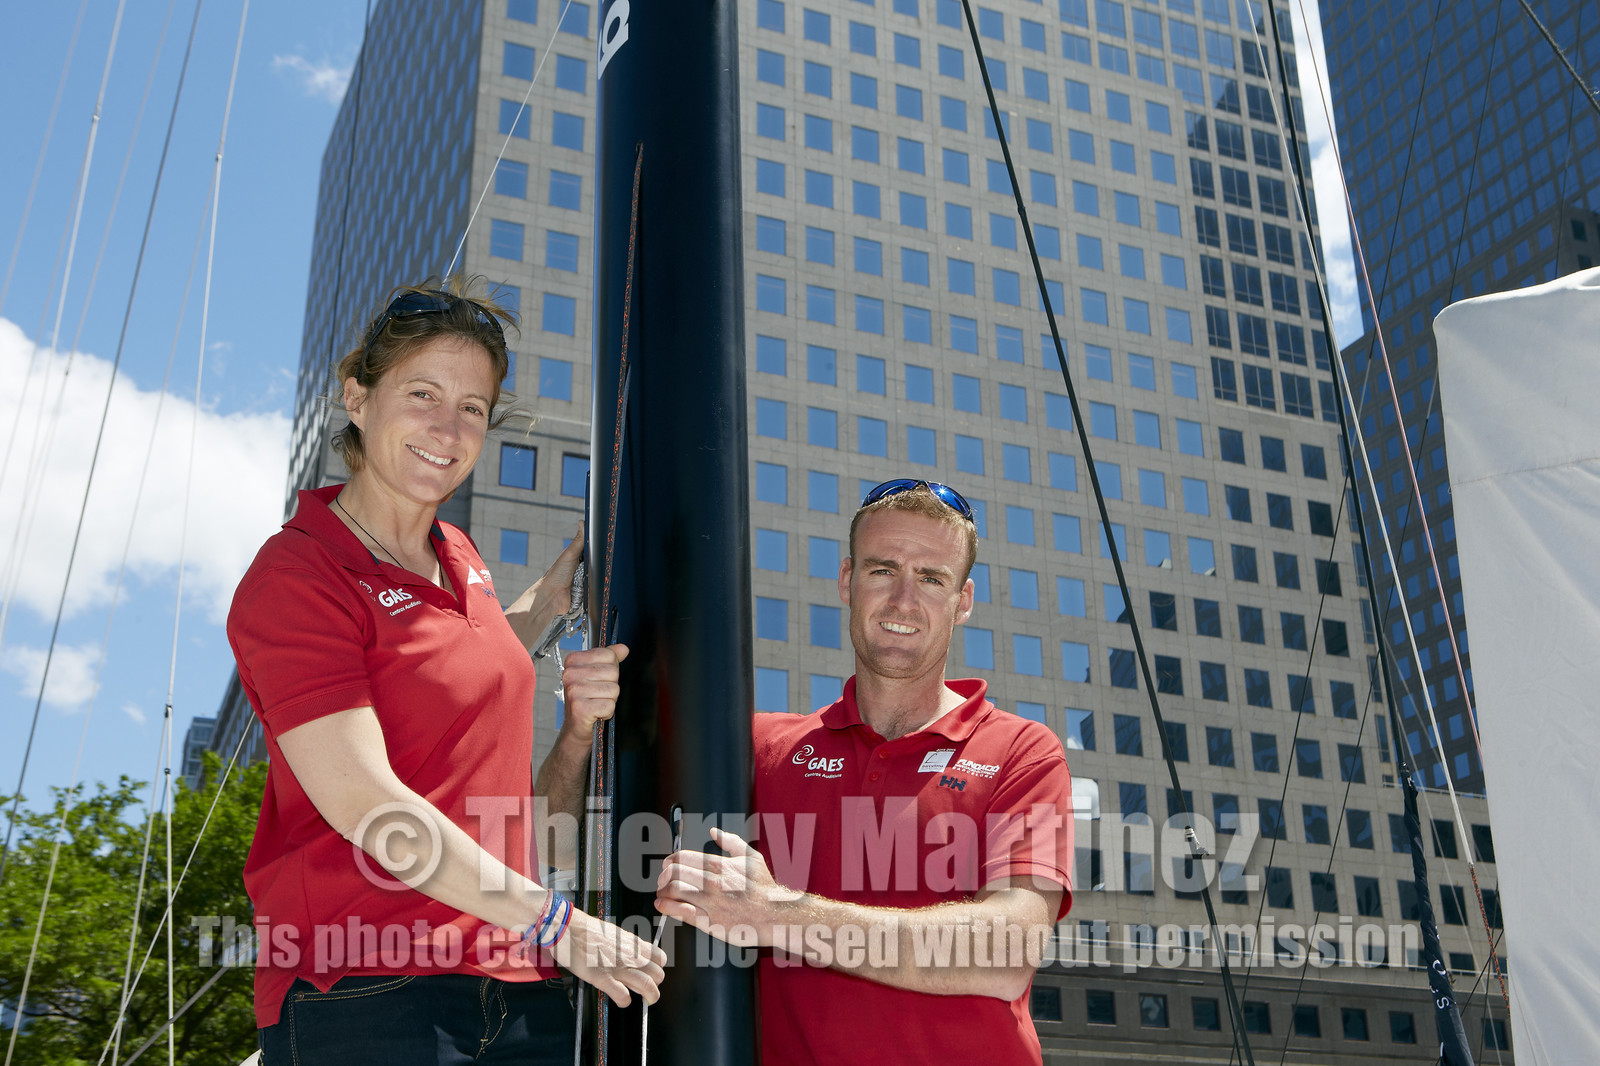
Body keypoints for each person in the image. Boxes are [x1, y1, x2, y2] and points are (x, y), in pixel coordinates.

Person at [227, 282, 664, 1065]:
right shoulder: (300, 573)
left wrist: (563, 619)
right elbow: (368, 806)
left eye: (472, 408)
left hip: (518, 987)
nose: (447, 428)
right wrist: (561, 924)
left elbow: (463, 668)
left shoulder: (460, 559)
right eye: (421, 394)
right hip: (367, 989)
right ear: (357, 397)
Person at [553, 479, 1074, 1064]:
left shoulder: (1022, 751)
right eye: (882, 571)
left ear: (964, 599)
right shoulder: (759, 747)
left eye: (931, 578)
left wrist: (777, 914)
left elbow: (1009, 950)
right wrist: (578, 735)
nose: (903, 600)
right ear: (847, 580)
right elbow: (558, 845)